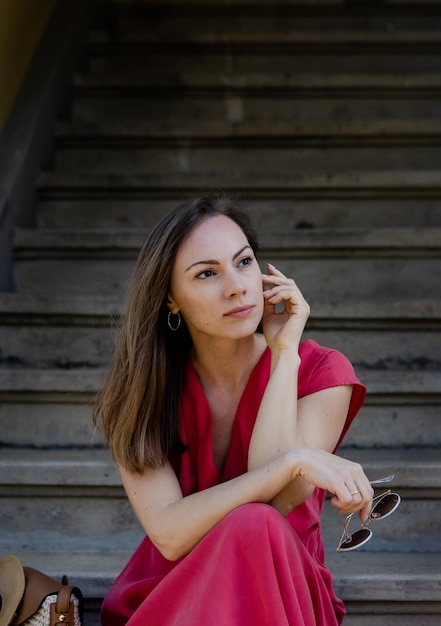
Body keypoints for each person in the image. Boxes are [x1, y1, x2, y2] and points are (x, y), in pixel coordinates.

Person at [93, 194, 373, 626]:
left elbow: (277, 502)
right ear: (169, 299)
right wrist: (296, 459)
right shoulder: (143, 389)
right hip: (176, 592)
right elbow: (168, 535)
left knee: (256, 524)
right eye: (207, 273)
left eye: (244, 263)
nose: (237, 286)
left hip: (281, 592)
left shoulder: (319, 372)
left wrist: (284, 355)